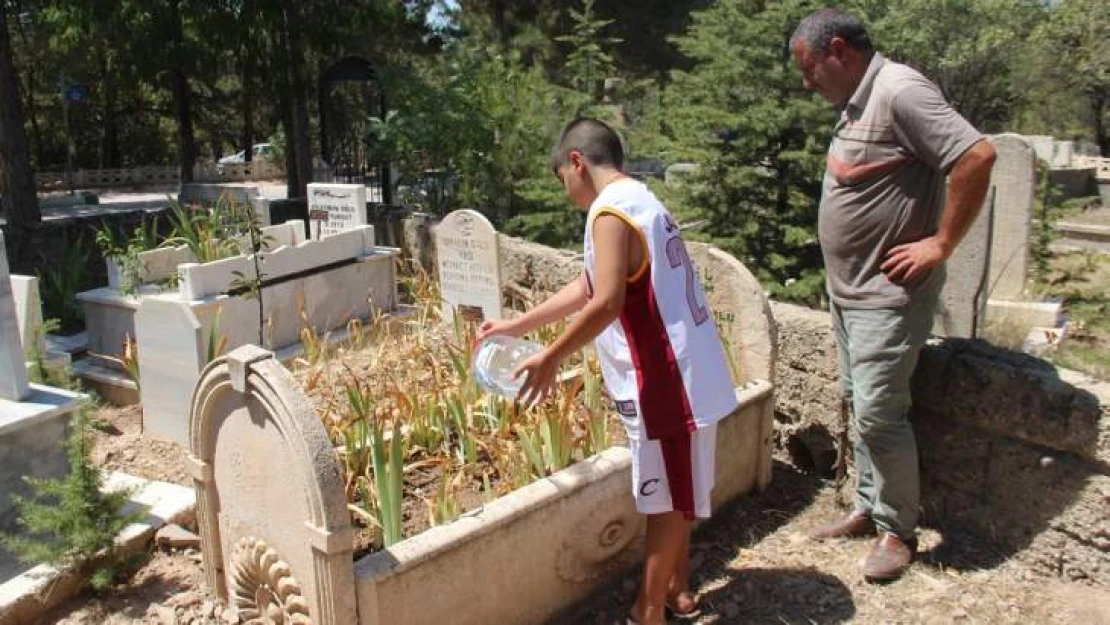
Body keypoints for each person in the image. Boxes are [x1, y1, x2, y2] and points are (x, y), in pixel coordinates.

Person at [475, 118, 739, 625]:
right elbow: (590, 284)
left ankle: (647, 611)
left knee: (667, 501)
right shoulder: (639, 198)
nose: (566, 191)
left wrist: (551, 357)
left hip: (667, 379)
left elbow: (608, 301)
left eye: (562, 178)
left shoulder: (608, 212)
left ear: (576, 162)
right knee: (676, 490)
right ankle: (676, 591)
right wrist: (517, 323)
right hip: (680, 373)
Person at [790, 9, 997, 581]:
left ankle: (897, 531)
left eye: (810, 70)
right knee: (859, 402)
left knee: (880, 410)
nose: (808, 84)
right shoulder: (858, 98)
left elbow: (976, 155)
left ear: (838, 50)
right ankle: (868, 504)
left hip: (887, 294)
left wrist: (941, 243)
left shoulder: (900, 91)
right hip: (848, 293)